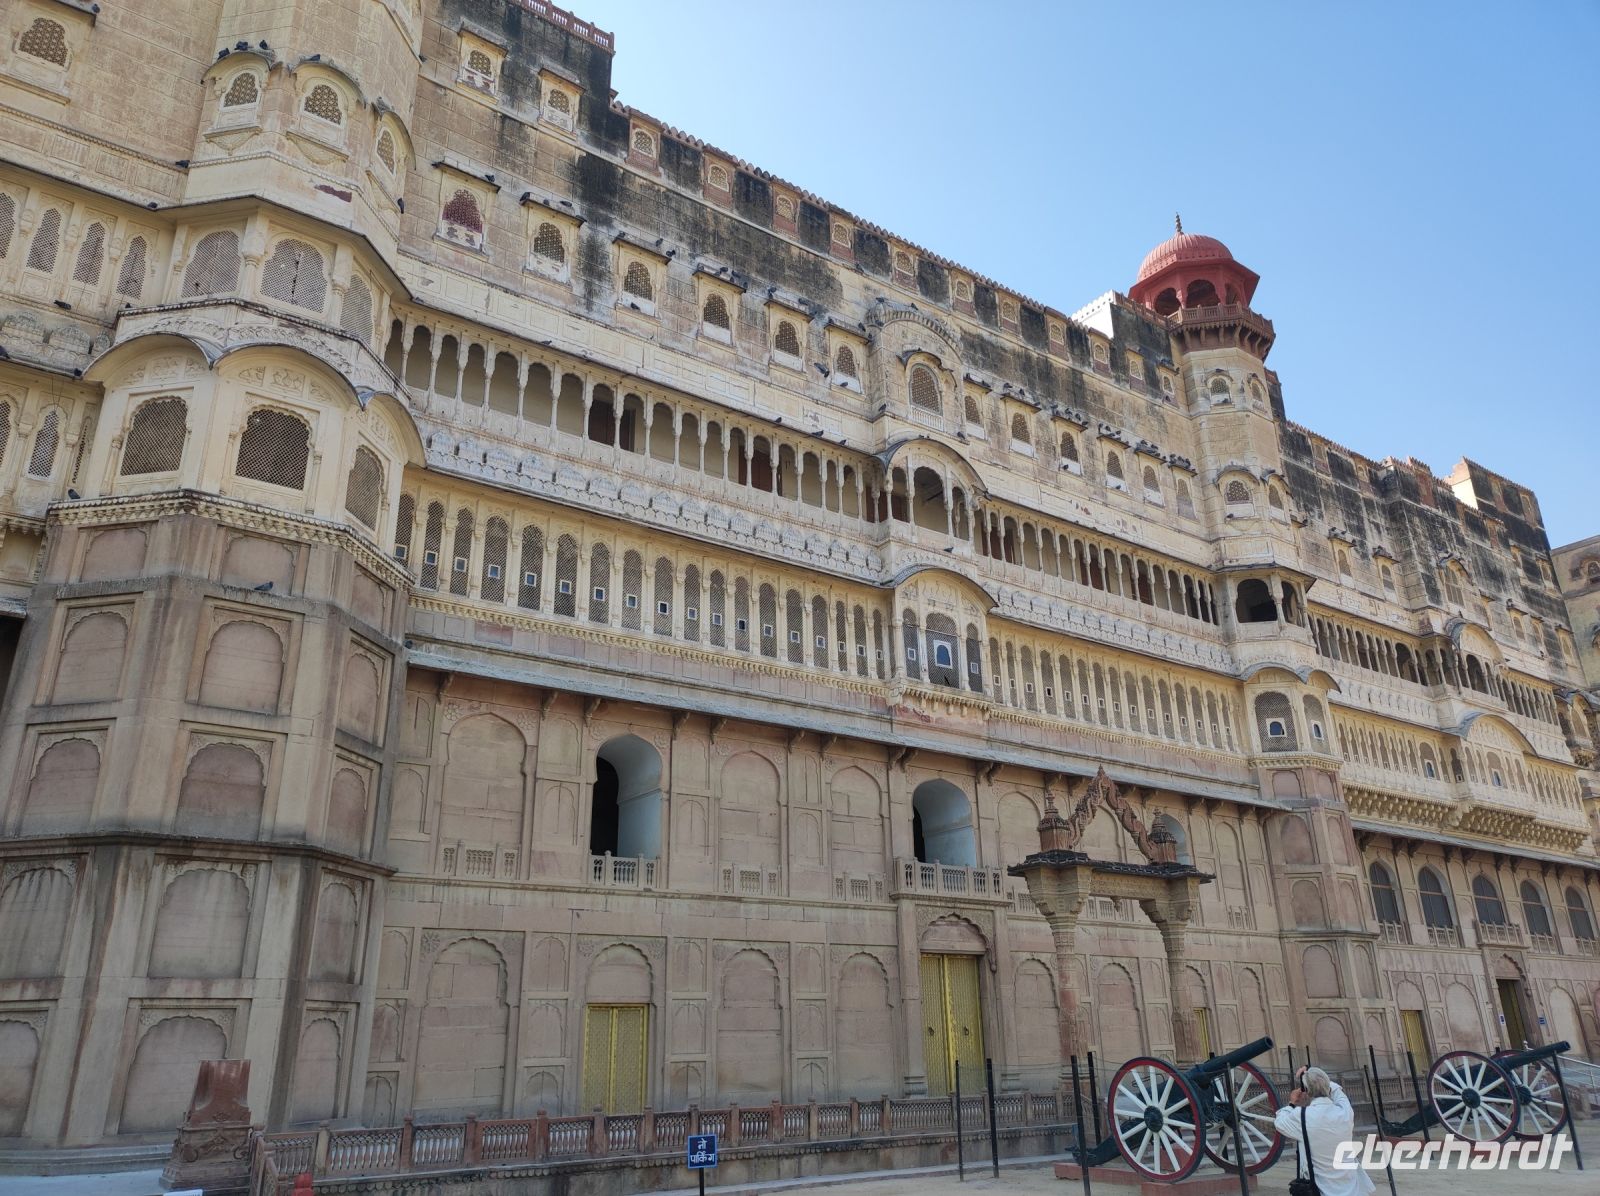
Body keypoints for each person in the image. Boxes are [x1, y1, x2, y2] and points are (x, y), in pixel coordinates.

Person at [1273, 1066, 1374, 1196]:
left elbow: (1280, 1122)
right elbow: (1337, 1091)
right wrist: (1311, 1074)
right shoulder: (1345, 1111)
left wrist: (1292, 1102)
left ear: (1307, 1091)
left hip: (1322, 1190)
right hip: (1352, 1188)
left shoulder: (1302, 1116)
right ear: (1327, 1087)